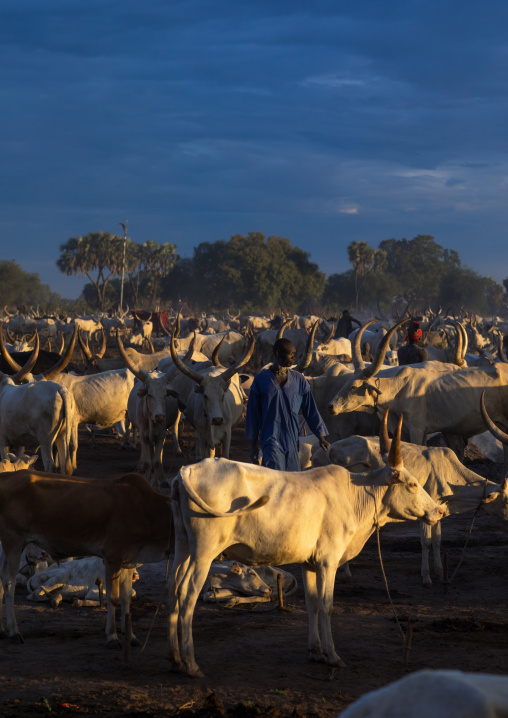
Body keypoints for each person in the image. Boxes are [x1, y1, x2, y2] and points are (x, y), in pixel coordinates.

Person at [245, 338, 329, 470]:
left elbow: (311, 410)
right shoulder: (260, 381)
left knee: (292, 480)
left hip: (292, 443)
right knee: (276, 479)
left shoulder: (299, 380)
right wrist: (252, 446)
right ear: (278, 354)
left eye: (294, 354)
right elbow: (253, 415)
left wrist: (321, 436)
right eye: (291, 354)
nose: (294, 358)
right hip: (270, 441)